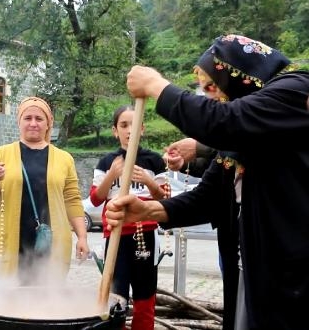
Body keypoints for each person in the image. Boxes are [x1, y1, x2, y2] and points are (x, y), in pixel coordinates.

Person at [107, 34, 309, 330]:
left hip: (294, 269)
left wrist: (155, 85)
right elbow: (208, 197)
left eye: (212, 88)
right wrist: (147, 211)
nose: (210, 98)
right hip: (252, 269)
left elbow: (222, 121)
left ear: (241, 74)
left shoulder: (295, 89)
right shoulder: (243, 137)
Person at [0, 96, 90, 285]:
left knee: (48, 300)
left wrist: (82, 237)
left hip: (51, 242)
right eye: (27, 118)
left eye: (39, 119)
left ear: (48, 124)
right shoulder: (1, 154)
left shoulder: (64, 159)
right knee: (12, 298)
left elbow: (72, 199)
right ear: (19, 122)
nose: (33, 123)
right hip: (13, 240)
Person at [89, 105, 167, 330]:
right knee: (115, 296)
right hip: (115, 236)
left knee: (145, 295)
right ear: (115, 131)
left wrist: (149, 181)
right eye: (123, 125)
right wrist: (112, 175)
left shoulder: (153, 161)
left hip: (146, 235)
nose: (129, 130)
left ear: (142, 129)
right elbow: (95, 199)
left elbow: (163, 198)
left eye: (134, 124)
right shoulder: (107, 162)